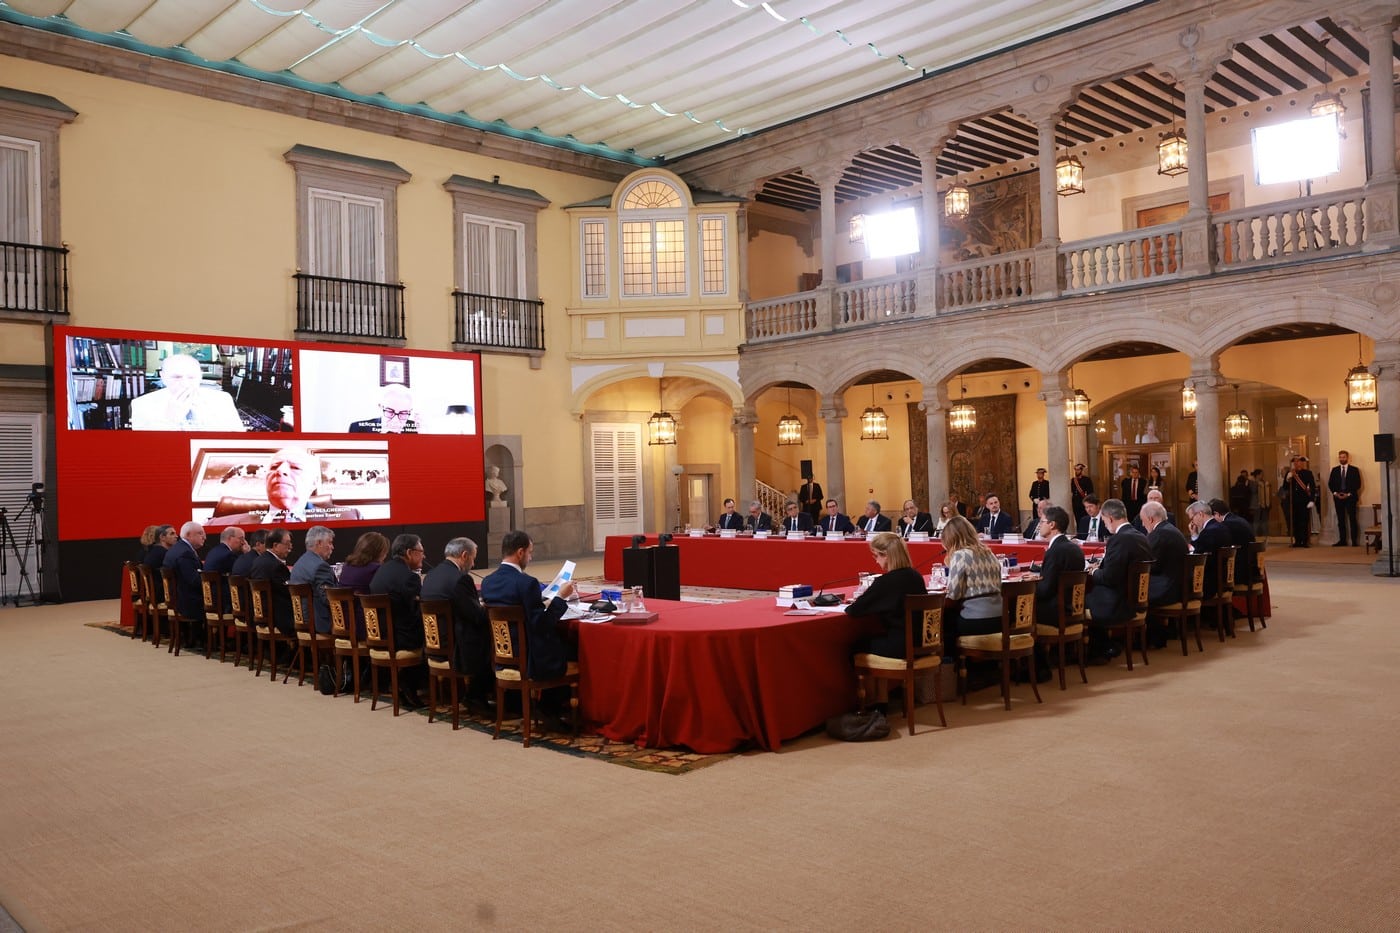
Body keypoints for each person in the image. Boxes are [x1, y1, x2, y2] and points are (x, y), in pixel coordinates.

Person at [479, 530, 578, 729]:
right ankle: (549, 708)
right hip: (530, 659)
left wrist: (545, 603)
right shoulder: (527, 583)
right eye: (530, 553)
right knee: (570, 649)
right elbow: (541, 624)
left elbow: (523, 609)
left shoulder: (488, 582)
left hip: (502, 655)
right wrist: (560, 598)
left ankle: (547, 707)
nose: (530, 558)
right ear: (520, 552)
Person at [204, 446, 364, 527]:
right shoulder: (217, 525)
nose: (280, 472)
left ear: (313, 483)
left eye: (295, 468)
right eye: (274, 467)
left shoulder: (350, 518)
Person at [420, 536, 492, 710]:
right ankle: (476, 695)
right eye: (473, 558)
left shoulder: (430, 576)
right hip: (456, 648)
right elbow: (476, 616)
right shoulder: (461, 579)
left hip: (433, 644)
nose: (473, 565)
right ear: (464, 555)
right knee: (497, 640)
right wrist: (486, 607)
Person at [1084, 498, 1154, 662]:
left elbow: (1109, 577)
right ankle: (1106, 645)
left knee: (1080, 600)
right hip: (1137, 598)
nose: (1104, 524)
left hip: (1119, 602)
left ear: (1109, 518)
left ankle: (1098, 650)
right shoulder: (1141, 536)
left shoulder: (1119, 539)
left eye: (1103, 520)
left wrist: (1093, 571)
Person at [369, 533, 429, 710]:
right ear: (409, 552)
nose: (424, 556)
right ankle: (412, 683)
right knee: (439, 632)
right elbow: (415, 612)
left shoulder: (382, 570)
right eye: (421, 552)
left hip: (379, 635)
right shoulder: (409, 577)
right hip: (401, 639)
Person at [845, 532, 928, 658]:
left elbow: (854, 610)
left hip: (900, 647)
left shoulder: (885, 582)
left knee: (855, 646)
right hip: (923, 642)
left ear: (887, 556)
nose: (876, 561)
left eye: (876, 556)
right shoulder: (916, 576)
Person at [129, 353, 244, 432]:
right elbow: (145, 448)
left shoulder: (222, 399)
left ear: (200, 376)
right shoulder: (141, 404)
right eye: (176, 377)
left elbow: (238, 438)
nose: (185, 383)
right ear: (163, 377)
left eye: (192, 377)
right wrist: (170, 420)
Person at [1032, 505, 1084, 680]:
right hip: (1073, 609)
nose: (1039, 525)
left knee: (1018, 614)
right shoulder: (1074, 548)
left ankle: (1038, 669)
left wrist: (1030, 588)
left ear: (1052, 524)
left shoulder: (1055, 551)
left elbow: (1046, 590)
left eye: (1042, 521)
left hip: (1055, 611)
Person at [939, 515, 1003, 638]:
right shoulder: (989, 553)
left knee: (944, 622)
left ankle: (949, 656)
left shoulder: (960, 555)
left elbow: (953, 595)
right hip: (999, 618)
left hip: (976, 620)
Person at [163, 521, 207, 649]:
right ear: (188, 535)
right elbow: (193, 580)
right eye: (200, 533)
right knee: (222, 598)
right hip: (187, 601)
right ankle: (207, 640)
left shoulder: (177, 549)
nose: (204, 537)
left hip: (176, 597)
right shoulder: (185, 553)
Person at [289, 525, 336, 636]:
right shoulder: (320, 566)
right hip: (318, 624)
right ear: (319, 543)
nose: (332, 547)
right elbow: (330, 600)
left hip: (301, 621)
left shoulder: (299, 563)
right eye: (329, 543)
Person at [1141, 501, 1188, 608]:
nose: (1143, 525)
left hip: (1167, 590)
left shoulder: (1158, 534)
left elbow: (1149, 565)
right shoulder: (1171, 529)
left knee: (1129, 589)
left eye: (1143, 521)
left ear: (1150, 519)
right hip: (1179, 587)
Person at [249, 528, 295, 637]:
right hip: (277, 617)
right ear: (275, 545)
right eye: (287, 544)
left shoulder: (258, 561)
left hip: (259, 614)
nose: (290, 547)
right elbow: (289, 592)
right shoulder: (277, 566)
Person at [348, 382, 419, 434]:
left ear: (410, 411)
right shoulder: (358, 429)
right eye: (390, 411)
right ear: (380, 407)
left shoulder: (417, 430)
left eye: (403, 413)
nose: (395, 420)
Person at [1328, 450, 1362, 547]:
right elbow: (1330, 484)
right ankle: (1342, 540)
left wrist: (1348, 494)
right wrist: (1335, 493)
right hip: (1338, 498)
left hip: (1350, 498)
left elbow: (1357, 484)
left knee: (1352, 519)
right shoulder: (1334, 470)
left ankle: (1354, 541)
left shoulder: (1354, 470)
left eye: (1343, 457)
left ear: (1347, 458)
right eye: (1340, 457)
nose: (1342, 459)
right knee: (1341, 520)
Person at [1287, 456, 1317, 547]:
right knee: (1295, 521)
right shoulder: (1291, 473)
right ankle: (1297, 541)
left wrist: (1312, 500)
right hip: (1294, 501)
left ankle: (1305, 541)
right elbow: (1285, 487)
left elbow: (1312, 487)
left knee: (1304, 521)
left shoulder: (1307, 473)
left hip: (1304, 500)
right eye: (1295, 461)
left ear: (1302, 463)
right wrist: (1287, 479)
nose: (1296, 463)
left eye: (1298, 461)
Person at [1250, 469, 1271, 538]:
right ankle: (1255, 535)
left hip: (1264, 504)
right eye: (1261, 474)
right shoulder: (1252, 482)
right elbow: (1253, 491)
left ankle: (1266, 535)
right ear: (1258, 475)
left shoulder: (1264, 482)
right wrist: (1257, 484)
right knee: (1256, 520)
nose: (1263, 476)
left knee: (1265, 520)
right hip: (1256, 504)